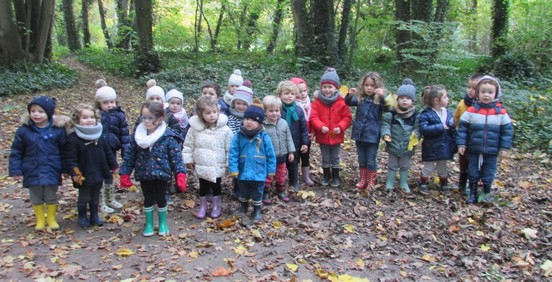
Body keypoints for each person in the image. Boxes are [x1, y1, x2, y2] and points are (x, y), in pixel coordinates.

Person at [119, 101, 187, 237]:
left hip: (162, 173)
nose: (146, 121)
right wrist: (124, 173)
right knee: (148, 198)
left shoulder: (168, 136)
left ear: (160, 119)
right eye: (144, 117)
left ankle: (162, 223)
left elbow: (176, 157)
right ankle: (149, 223)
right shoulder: (137, 137)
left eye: (150, 117)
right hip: (144, 173)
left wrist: (180, 173)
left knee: (161, 198)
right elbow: (130, 156)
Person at [9, 96, 68, 231]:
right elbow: (16, 151)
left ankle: (51, 219)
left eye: (40, 111)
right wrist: (15, 169)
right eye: (33, 111)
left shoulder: (57, 130)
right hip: (32, 168)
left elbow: (65, 151)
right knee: (35, 194)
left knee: (50, 194)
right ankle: (40, 219)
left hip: (52, 167)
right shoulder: (24, 131)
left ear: (48, 113)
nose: (36, 114)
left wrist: (65, 169)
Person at [457, 75, 513, 204]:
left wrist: (504, 147)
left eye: (490, 92)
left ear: (496, 93)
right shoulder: (471, 111)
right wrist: (461, 143)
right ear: (478, 93)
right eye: (483, 92)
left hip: (491, 150)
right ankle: (472, 193)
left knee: (489, 172)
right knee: (473, 171)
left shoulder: (501, 113)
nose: (486, 95)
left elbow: (507, 131)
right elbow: (463, 129)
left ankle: (486, 192)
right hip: (474, 148)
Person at [65, 104, 118, 228]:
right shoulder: (74, 138)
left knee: (95, 195)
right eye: (85, 118)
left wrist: (114, 165)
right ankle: (82, 216)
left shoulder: (99, 134)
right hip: (83, 173)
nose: (89, 120)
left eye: (92, 117)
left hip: (99, 170)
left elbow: (107, 151)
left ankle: (94, 215)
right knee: (84, 196)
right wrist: (75, 172)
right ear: (77, 120)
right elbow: (70, 158)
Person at [183, 96, 233, 219]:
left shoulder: (225, 129)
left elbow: (230, 147)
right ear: (201, 114)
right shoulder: (195, 129)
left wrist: (229, 162)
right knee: (203, 186)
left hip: (217, 163)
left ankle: (216, 206)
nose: (212, 115)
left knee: (216, 186)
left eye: (214, 112)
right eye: (208, 113)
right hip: (201, 163)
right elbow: (188, 144)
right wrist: (188, 159)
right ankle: (203, 206)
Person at [345, 71, 395, 191]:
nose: (369, 88)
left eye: (372, 86)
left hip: (372, 135)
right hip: (359, 133)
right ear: (363, 86)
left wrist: (383, 95)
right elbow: (348, 102)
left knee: (370, 159)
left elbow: (389, 108)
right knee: (361, 158)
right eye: (366, 85)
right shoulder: (360, 98)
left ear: (377, 87)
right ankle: (363, 179)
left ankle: (372, 180)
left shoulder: (379, 100)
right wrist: (349, 94)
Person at [228, 103, 276, 222]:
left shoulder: (264, 136)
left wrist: (271, 170)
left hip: (259, 170)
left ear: (260, 123)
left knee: (257, 192)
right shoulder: (239, 135)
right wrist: (233, 168)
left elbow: (271, 155)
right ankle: (243, 208)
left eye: (253, 120)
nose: (249, 122)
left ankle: (257, 210)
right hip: (243, 170)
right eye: (247, 119)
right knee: (243, 191)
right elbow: (233, 153)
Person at [310, 68, 352, 187]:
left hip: (336, 135)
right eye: (325, 87)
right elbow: (314, 117)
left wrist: (341, 127)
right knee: (325, 157)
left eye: (330, 87)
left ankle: (336, 176)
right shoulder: (317, 102)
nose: (327, 89)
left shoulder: (342, 102)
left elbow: (347, 118)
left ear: (336, 88)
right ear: (321, 88)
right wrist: (320, 126)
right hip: (323, 135)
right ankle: (326, 176)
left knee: (335, 157)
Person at [94, 79, 129, 214]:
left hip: (111, 149)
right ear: (99, 103)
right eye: (105, 102)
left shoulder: (119, 115)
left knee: (110, 173)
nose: (109, 105)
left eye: (112, 102)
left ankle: (110, 197)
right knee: (100, 175)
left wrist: (125, 151)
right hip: (97, 150)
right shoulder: (96, 115)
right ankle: (100, 201)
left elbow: (124, 134)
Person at [380, 79, 420, 193]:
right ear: (397, 99)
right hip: (393, 144)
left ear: (412, 101)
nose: (404, 100)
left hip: (407, 145)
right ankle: (390, 182)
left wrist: (415, 136)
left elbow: (418, 128)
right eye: (402, 98)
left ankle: (403, 182)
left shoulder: (416, 115)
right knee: (392, 164)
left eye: (407, 98)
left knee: (404, 165)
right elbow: (385, 125)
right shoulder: (391, 114)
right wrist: (386, 134)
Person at [418, 85, 457, 196]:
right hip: (432, 146)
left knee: (442, 166)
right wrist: (440, 127)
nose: (448, 99)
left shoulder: (448, 113)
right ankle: (423, 182)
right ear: (436, 100)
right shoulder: (426, 114)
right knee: (429, 166)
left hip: (445, 146)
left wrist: (455, 144)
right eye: (445, 97)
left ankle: (444, 183)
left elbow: (452, 129)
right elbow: (424, 129)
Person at [276, 80, 309, 193]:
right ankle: (279, 182)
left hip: (295, 142)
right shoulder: (277, 109)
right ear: (280, 95)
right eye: (286, 93)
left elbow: (304, 128)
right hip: (280, 142)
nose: (289, 96)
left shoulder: (299, 110)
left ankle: (293, 182)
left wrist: (305, 142)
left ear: (296, 95)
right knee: (280, 163)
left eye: (292, 94)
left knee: (293, 163)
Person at [453, 73, 483, 194]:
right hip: (463, 139)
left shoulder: (483, 107)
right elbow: (455, 119)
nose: (470, 90)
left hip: (476, 140)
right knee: (463, 162)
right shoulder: (462, 103)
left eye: (474, 88)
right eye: (469, 87)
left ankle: (473, 186)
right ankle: (461, 185)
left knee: (474, 164)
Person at [262, 95, 295, 203]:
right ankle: (266, 192)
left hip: (282, 155)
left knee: (281, 174)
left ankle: (280, 190)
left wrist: (291, 151)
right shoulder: (263, 126)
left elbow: (288, 138)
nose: (274, 113)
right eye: (271, 111)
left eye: (277, 110)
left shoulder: (283, 123)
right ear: (265, 111)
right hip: (268, 157)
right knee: (268, 175)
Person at [290, 77, 315, 186]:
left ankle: (306, 175)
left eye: (304, 91)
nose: (303, 93)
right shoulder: (293, 105)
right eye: (300, 91)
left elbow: (314, 118)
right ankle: (293, 176)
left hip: (307, 135)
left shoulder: (310, 104)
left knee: (305, 155)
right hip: (296, 136)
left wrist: (313, 132)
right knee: (295, 156)